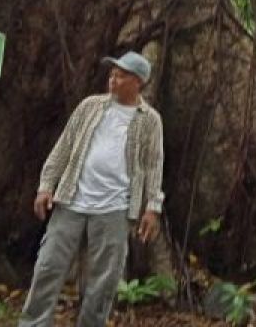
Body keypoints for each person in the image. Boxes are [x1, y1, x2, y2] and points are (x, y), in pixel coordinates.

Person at [18, 51, 165, 327]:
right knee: (48, 267)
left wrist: (152, 208)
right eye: (112, 73)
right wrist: (46, 185)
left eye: (120, 75)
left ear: (137, 82)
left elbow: (154, 165)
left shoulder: (149, 120)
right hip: (72, 201)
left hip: (116, 209)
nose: (113, 79)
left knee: (102, 282)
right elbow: (64, 146)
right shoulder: (90, 107)